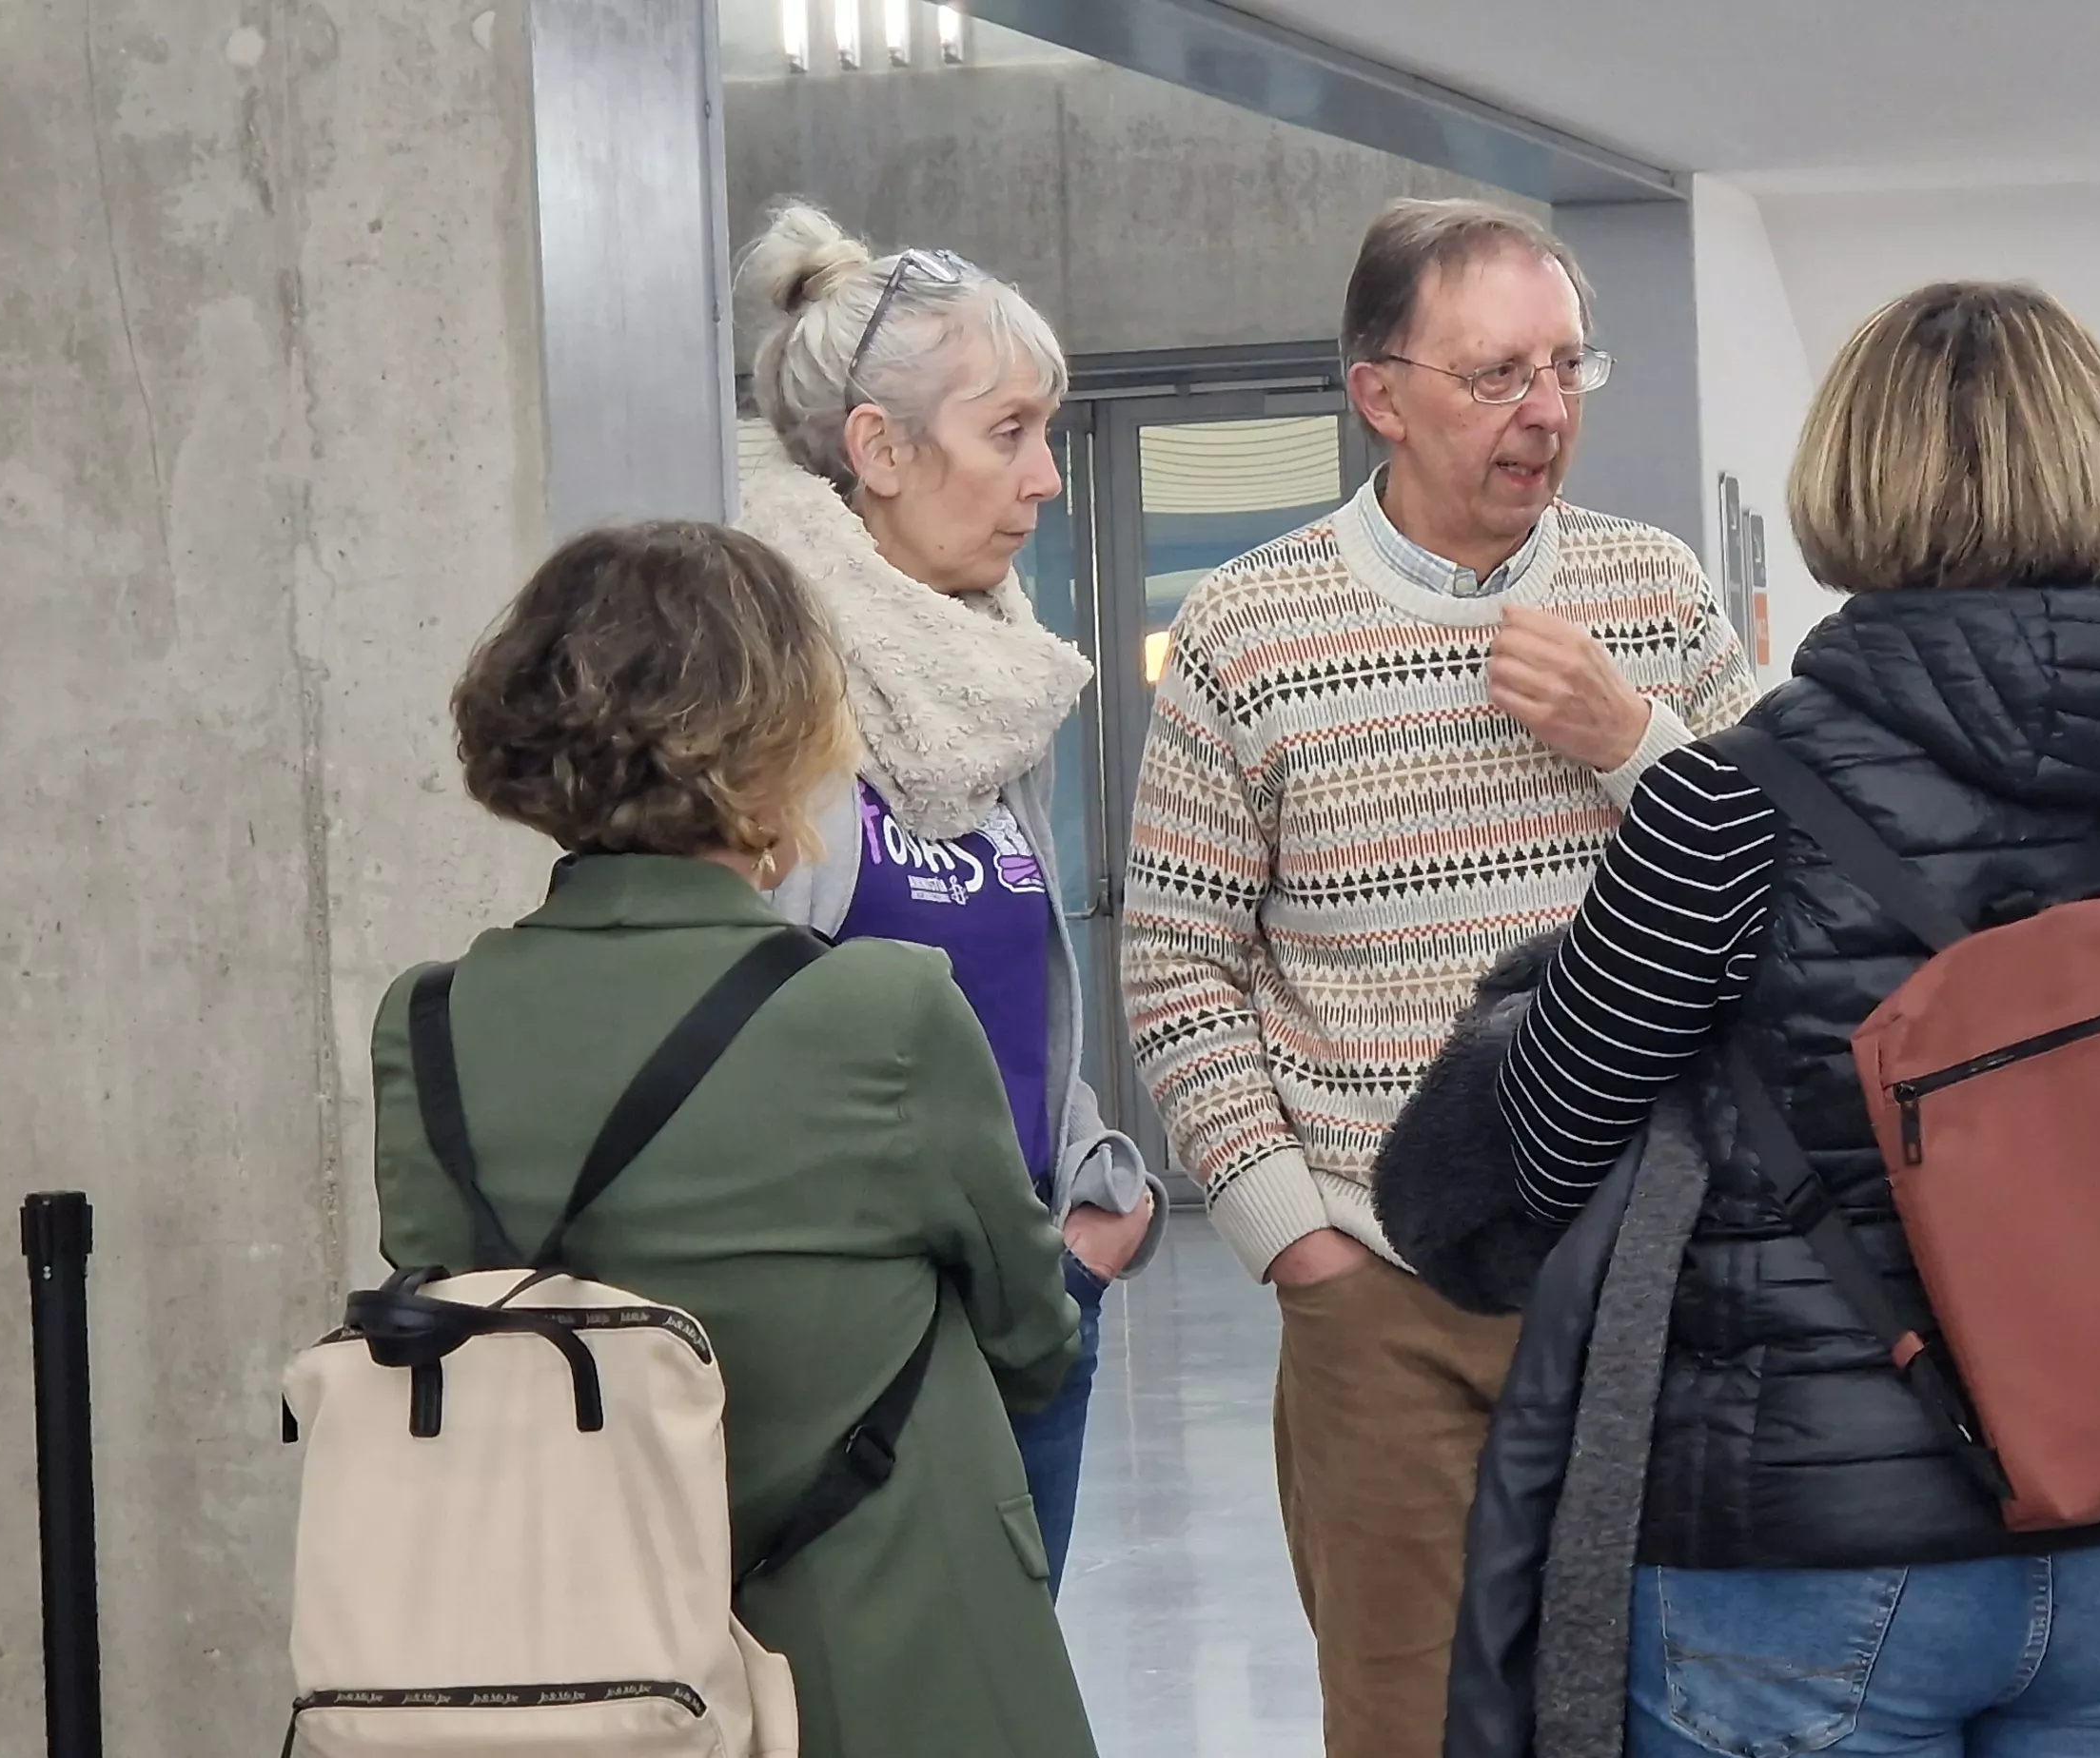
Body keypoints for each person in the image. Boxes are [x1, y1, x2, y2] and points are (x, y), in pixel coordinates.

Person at [1423, 278, 2100, 1758]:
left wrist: (1527, 1000)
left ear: (1849, 477)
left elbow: (1500, 1192)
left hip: (1814, 1542)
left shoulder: (1723, 803)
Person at [1121, 196, 1758, 1758]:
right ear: (1380, 395)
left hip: (1647, 1283)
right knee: (1409, 1724)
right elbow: (1179, 961)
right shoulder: (1246, 630)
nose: (1545, 411)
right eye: (1495, 375)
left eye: (1566, 365)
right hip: (1378, 1289)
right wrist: (1290, 1239)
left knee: (1672, 1713)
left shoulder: (1657, 594)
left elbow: (1781, 888)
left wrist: (1635, 744)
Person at [371, 520, 1094, 1758]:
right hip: (890, 1654)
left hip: (585, 1663)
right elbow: (1033, 1337)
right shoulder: (886, 1012)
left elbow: (459, 1330)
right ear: (782, 735)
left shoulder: (431, 1024)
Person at [729, 199, 1166, 1588]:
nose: (1046, 479)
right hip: (847, 1353)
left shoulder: (989, 689)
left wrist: (1092, 1210)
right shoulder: (761, 697)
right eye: (1010, 432)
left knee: (1015, 1684)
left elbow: (1022, 994)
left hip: (1030, 1309)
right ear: (879, 451)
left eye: (1049, 432)